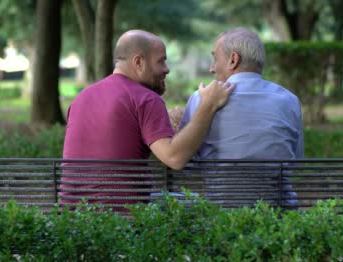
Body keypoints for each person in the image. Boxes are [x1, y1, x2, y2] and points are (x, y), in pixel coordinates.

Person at [60, 29, 235, 210]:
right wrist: (209, 104)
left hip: (73, 217)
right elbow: (175, 158)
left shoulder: (82, 97)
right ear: (138, 62)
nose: (167, 69)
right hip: (122, 219)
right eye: (161, 61)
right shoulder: (146, 99)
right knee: (199, 205)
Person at [178, 27, 304, 207]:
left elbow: (186, 165)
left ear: (233, 60)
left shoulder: (202, 98)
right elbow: (296, 161)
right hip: (278, 213)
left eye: (215, 58)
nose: (211, 68)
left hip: (221, 211)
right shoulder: (289, 100)